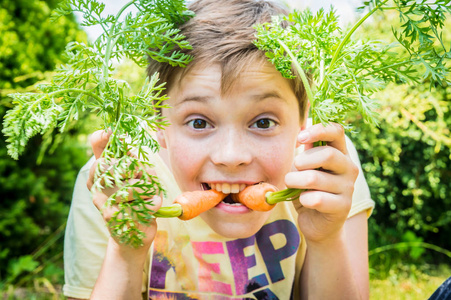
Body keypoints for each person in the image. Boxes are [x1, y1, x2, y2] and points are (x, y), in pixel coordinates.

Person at [63, 0, 375, 299]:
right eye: (199, 123)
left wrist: (326, 240)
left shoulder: (323, 166)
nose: (231, 156)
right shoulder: (119, 184)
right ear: (159, 123)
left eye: (263, 122)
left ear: (303, 121)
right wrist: (125, 251)